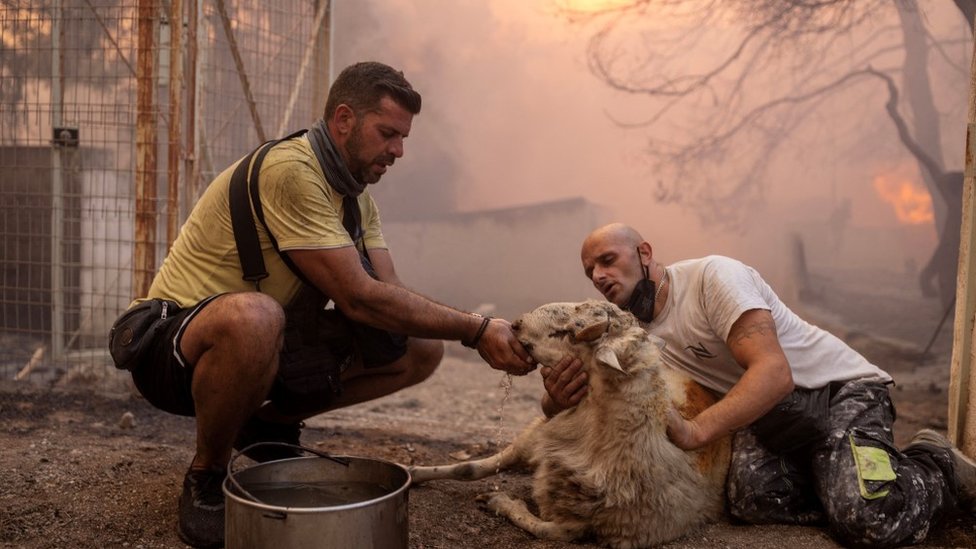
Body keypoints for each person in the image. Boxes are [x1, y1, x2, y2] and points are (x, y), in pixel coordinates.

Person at [108, 61, 535, 549]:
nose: (397, 151)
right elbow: (358, 297)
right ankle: (206, 474)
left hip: (262, 347)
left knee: (419, 348)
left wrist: (477, 328)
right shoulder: (292, 171)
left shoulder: (356, 198)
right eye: (388, 133)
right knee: (256, 314)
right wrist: (477, 330)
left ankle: (265, 424)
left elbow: (389, 294)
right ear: (345, 120)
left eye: (403, 139)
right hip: (174, 350)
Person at [541, 222, 976, 548]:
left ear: (644, 252)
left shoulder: (714, 278)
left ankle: (934, 464)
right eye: (589, 271)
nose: (597, 276)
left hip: (838, 390)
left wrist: (696, 431)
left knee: (867, 518)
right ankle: (838, 474)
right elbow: (591, 399)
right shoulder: (633, 334)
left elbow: (774, 373)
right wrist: (555, 402)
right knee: (750, 501)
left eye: (607, 260)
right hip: (772, 414)